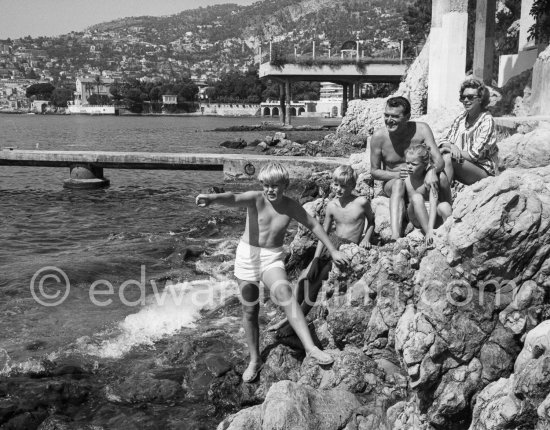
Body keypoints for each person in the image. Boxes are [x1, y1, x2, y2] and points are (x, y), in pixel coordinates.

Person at [195, 162, 349, 383]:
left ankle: (310, 348)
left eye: (275, 185)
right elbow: (234, 198)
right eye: (266, 185)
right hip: (247, 256)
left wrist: (332, 250)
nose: (270, 190)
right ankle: (255, 360)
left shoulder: (290, 206)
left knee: (285, 294)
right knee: (250, 310)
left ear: (285, 185)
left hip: (271, 258)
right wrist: (212, 200)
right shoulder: (256, 199)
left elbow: (314, 226)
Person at [267, 165, 375, 335]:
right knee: (304, 277)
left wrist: (367, 238)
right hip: (331, 244)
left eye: (343, 186)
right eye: (336, 184)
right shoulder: (332, 205)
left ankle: (293, 325)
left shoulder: (361, 202)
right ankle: (287, 318)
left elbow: (372, 222)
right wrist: (315, 259)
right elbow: (323, 233)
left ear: (353, 186)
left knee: (316, 285)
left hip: (347, 247)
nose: (338, 189)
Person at [370, 96, 445, 240]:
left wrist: (430, 171)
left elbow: (439, 162)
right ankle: (396, 235)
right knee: (399, 183)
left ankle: (446, 217)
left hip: (418, 179)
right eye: (386, 115)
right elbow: (374, 171)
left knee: (441, 176)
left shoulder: (422, 129)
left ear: (407, 117)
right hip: (393, 182)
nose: (389, 120)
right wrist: (397, 174)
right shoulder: (379, 137)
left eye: (395, 116)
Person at [439, 78, 499, 187]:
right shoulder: (461, 118)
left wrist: (450, 149)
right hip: (462, 162)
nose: (466, 100)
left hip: (483, 170)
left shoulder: (487, 121)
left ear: (480, 99)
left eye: (470, 97)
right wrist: (452, 146)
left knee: (447, 158)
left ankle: (443, 200)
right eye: (463, 97)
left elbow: (473, 155)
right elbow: (444, 140)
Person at [404, 144, 452, 246]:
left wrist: (431, 228)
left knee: (445, 206)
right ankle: (428, 236)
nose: (409, 166)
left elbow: (433, 203)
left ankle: (449, 236)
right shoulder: (405, 177)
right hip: (416, 216)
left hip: (432, 212)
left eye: (414, 164)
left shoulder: (429, 178)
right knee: (417, 197)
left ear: (425, 165)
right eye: (407, 163)